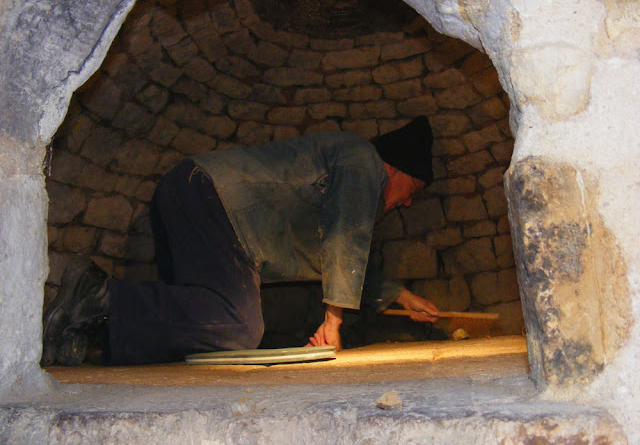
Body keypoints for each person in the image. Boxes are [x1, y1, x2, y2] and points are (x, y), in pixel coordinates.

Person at [42, 117, 439, 366]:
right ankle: (100, 297)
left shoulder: (350, 172)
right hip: (211, 199)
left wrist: (399, 295)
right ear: (393, 167)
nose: (406, 201)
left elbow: (341, 250)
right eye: (413, 189)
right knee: (238, 328)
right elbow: (347, 239)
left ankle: (90, 324)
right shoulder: (363, 160)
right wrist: (333, 321)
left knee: (201, 328)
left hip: (189, 193)